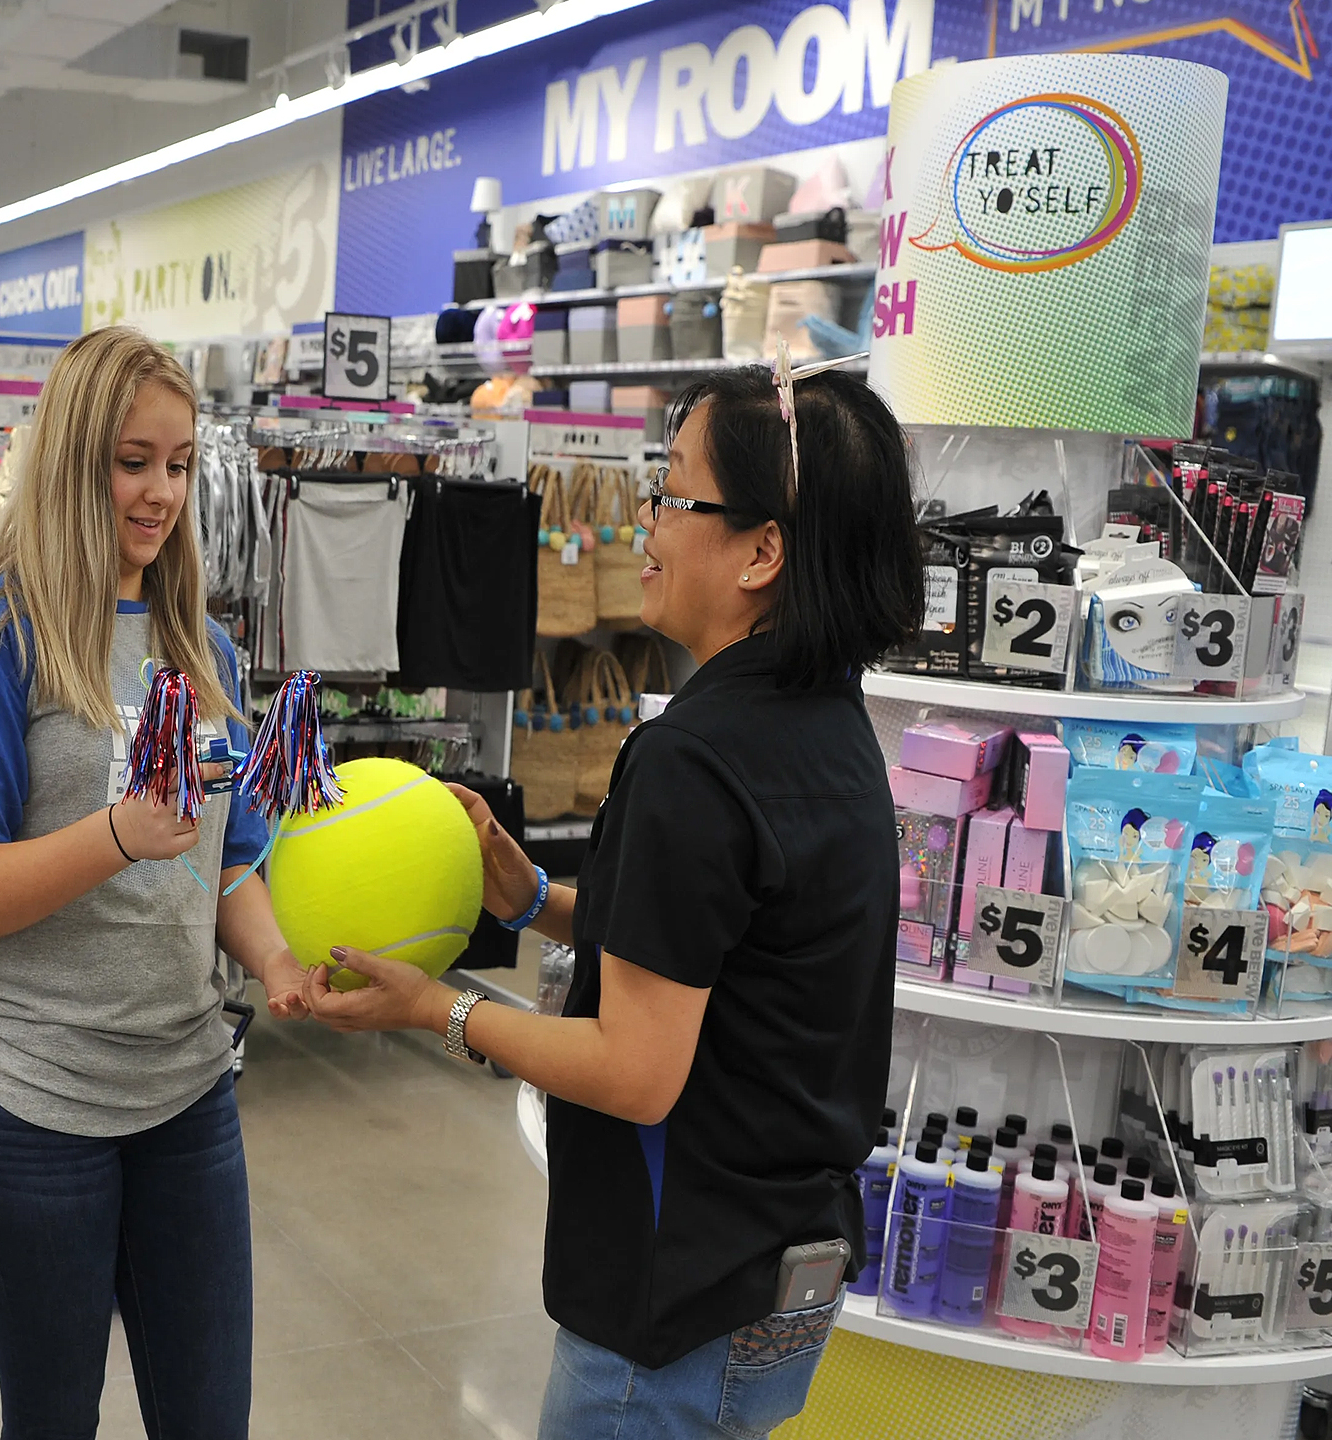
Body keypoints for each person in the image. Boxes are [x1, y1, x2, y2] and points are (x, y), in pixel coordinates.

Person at [302, 362, 925, 1439]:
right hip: (782, 1273)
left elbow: (637, 1073)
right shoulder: (830, 729)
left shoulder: (692, 759)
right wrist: (535, 894)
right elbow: (721, 954)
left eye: (674, 495)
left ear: (762, 551)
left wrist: (433, 1008)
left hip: (668, 1312)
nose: (647, 521)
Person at [0, 326, 309, 1440]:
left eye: (179, 465)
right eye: (136, 461)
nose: (161, 493)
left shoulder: (209, 655)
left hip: (188, 1090)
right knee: (54, 1419)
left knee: (208, 1416)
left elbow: (229, 858)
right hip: (33, 1103)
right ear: (80, 458)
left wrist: (274, 961)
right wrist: (116, 836)